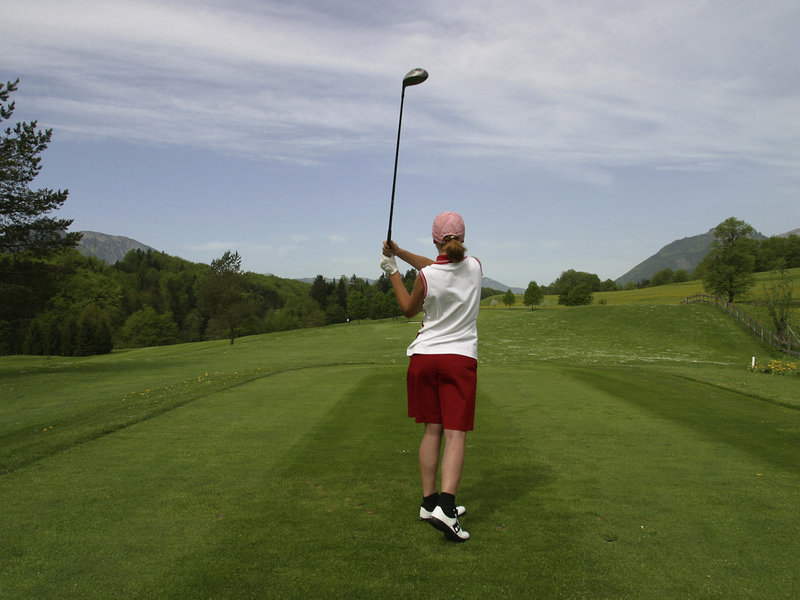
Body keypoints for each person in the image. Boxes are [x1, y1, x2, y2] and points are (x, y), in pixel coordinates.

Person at [380, 211, 482, 542]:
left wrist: (392, 270)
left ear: (435, 239)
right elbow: (437, 265)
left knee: (432, 431)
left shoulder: (426, 276)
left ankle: (429, 503)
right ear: (462, 238)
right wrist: (399, 253)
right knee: (455, 434)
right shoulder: (476, 267)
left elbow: (409, 308)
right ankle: (447, 510)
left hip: (424, 359)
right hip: (458, 360)